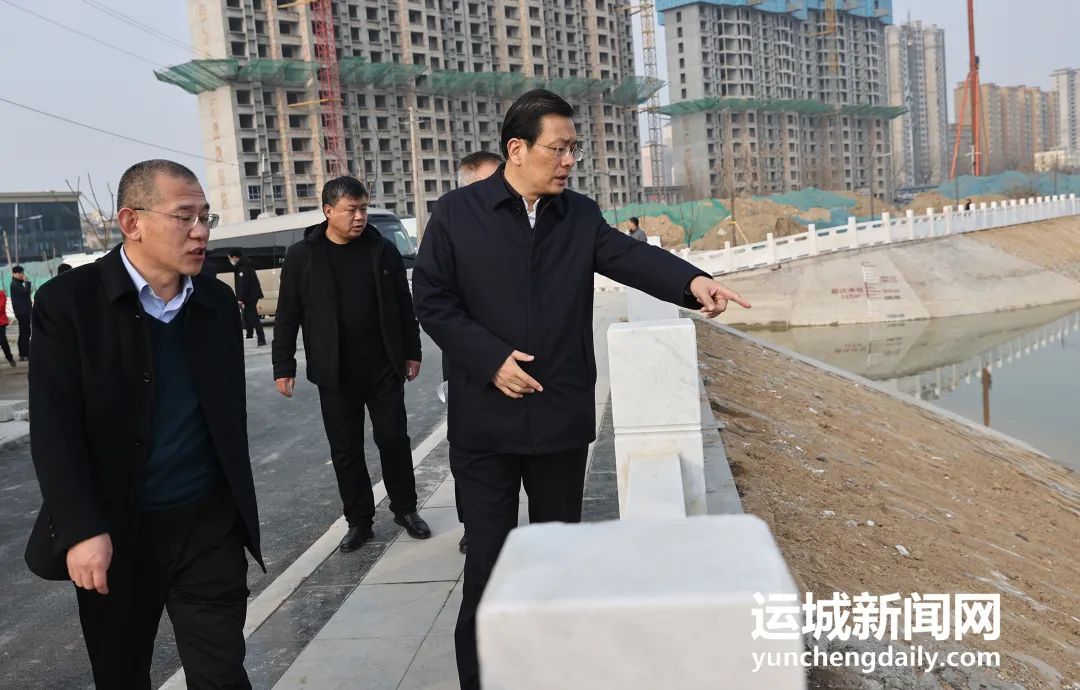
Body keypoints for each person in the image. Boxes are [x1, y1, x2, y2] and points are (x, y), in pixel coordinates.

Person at [412, 89, 750, 689]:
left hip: (559, 419)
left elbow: (631, 258)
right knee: (488, 569)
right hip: (485, 424)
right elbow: (432, 300)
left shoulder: (578, 215)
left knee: (560, 566)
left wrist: (692, 282)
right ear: (517, 149)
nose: (569, 161)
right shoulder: (457, 215)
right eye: (558, 148)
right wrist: (490, 360)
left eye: (574, 149)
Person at [24, 159, 263, 687]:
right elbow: (54, 429)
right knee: (122, 673)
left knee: (222, 674)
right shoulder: (70, 303)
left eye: (205, 217)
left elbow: (227, 417)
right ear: (132, 222)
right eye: (184, 216)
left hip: (207, 527)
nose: (200, 231)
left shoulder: (216, 302)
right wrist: (81, 529)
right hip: (116, 532)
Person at [273, 176, 431, 552]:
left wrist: (412, 351)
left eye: (363, 209)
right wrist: (283, 365)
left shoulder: (382, 249)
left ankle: (406, 509)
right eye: (351, 210)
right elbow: (287, 314)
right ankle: (359, 522)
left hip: (383, 366)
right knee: (346, 449)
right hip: (335, 371)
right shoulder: (302, 256)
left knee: (393, 439)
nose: (359, 217)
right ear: (328, 211)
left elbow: (403, 304)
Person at [448, 150, 505, 556]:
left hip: (520, 369)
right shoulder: (451, 229)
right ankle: (473, 524)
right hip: (470, 361)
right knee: (470, 453)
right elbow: (437, 305)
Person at [228, 248, 266, 346]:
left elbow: (243, 284)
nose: (230, 260)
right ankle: (250, 334)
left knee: (253, 317)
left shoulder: (242, 268)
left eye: (230, 258)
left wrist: (240, 298)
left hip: (250, 296)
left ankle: (261, 339)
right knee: (246, 315)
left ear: (235, 257)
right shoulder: (244, 265)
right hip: (251, 295)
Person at [10, 265, 32, 361]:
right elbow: (26, 292)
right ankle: (25, 353)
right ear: (14, 274)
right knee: (25, 332)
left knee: (24, 332)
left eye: (22, 273)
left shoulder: (17, 283)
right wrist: (26, 281)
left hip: (23, 311)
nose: (21, 275)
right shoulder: (14, 284)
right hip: (22, 312)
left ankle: (23, 353)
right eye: (19, 273)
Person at [0, 285, 16, 366]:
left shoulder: (1, 293)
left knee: (3, 340)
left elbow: (1, 307)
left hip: (1, 322)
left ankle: (9, 357)